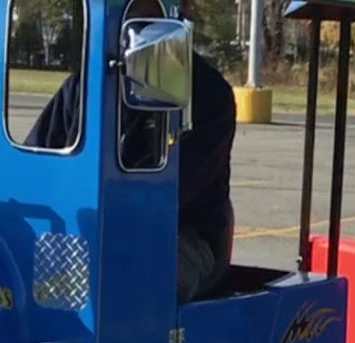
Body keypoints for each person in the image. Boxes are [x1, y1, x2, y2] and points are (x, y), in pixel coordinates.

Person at [25, 0, 236, 303]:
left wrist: (93, 214)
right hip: (85, 226)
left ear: (177, 16)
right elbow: (36, 158)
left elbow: (172, 192)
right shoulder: (86, 85)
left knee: (123, 276)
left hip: (178, 235)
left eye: (144, 15)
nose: (133, 26)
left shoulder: (208, 93)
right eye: (127, 15)